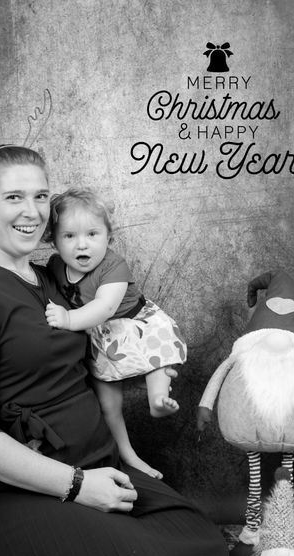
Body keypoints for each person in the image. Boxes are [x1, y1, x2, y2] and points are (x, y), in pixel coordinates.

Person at [0, 144, 229, 556]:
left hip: (99, 465)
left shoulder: (54, 278)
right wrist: (77, 486)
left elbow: (112, 330)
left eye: (40, 196)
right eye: (13, 197)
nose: (32, 212)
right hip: (17, 494)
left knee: (207, 544)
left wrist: (154, 369)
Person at [45, 188, 187, 479]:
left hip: (134, 325)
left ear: (109, 237)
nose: (81, 244)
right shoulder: (56, 267)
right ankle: (128, 454)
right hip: (101, 340)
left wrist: (68, 318)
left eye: (92, 234)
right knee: (108, 405)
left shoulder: (113, 266)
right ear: (54, 241)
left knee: (158, 359)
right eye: (69, 236)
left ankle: (158, 399)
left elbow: (105, 307)